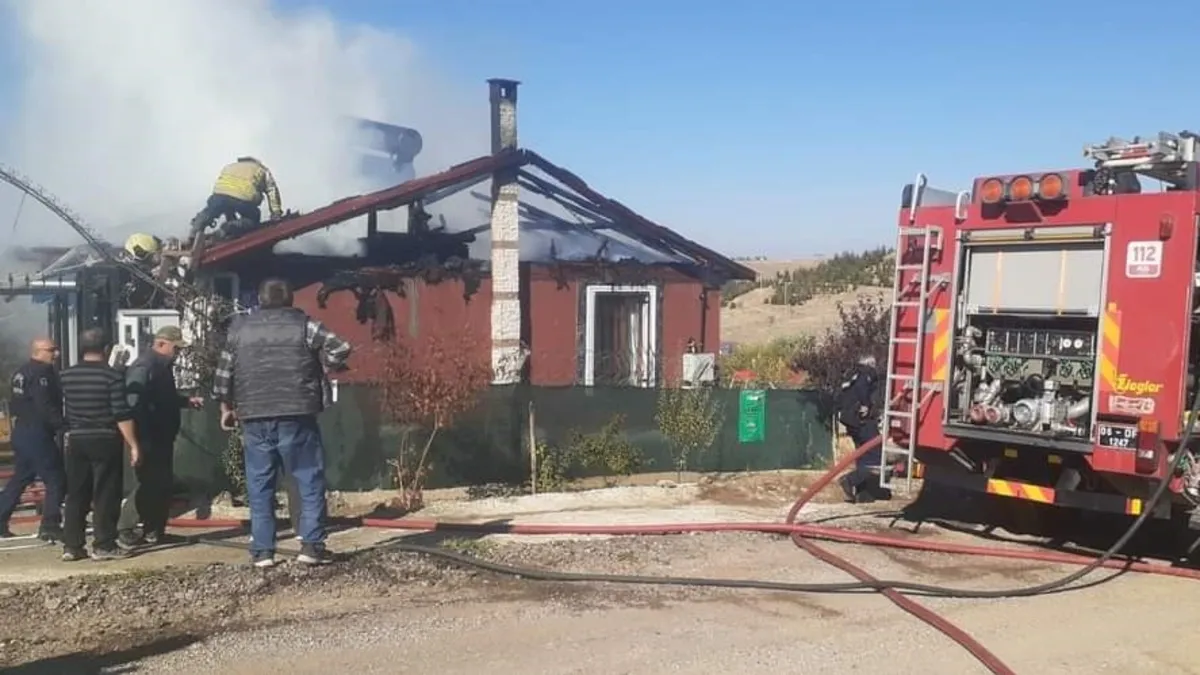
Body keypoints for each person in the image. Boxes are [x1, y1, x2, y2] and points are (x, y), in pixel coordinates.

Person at [212, 278, 351, 568]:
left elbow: (223, 377)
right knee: (307, 478)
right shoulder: (305, 325)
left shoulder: (238, 330)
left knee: (260, 484)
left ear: (260, 300)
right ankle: (311, 547)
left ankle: (263, 551)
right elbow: (341, 347)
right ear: (290, 300)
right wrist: (322, 366)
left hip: (253, 415)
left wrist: (226, 408)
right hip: (297, 413)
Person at [117, 326, 203, 550]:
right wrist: (136, 439)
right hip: (148, 436)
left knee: (162, 484)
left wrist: (185, 401)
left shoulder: (161, 367)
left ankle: (155, 531)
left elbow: (162, 397)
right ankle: (125, 527)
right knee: (149, 482)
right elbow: (132, 401)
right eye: (176, 348)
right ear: (162, 344)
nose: (178, 353)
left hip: (162, 435)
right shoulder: (145, 366)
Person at [59, 328, 140, 561]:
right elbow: (121, 414)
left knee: (76, 493)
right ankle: (104, 544)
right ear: (106, 349)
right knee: (106, 492)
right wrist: (133, 444)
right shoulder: (111, 376)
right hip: (105, 438)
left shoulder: (66, 375)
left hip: (76, 438)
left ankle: (72, 546)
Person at [0, 338, 66, 542]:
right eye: (51, 350)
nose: (56, 354)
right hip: (37, 431)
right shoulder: (41, 373)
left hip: (22, 429)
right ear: (38, 351)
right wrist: (62, 425)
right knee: (56, 478)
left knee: (21, 477)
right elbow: (44, 404)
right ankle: (50, 525)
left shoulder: (22, 371)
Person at [836, 355, 891, 504]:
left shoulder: (852, 374)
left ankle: (863, 494)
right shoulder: (866, 373)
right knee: (876, 454)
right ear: (869, 363)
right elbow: (862, 388)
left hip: (850, 420)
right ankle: (850, 480)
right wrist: (866, 405)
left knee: (863, 454)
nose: (875, 365)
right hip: (862, 420)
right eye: (873, 363)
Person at [189, 156, 283, 239]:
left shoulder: (230, 166)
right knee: (252, 219)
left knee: (211, 211)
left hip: (219, 195)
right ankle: (229, 228)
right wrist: (276, 213)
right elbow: (272, 191)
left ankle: (196, 227)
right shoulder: (261, 170)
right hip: (243, 198)